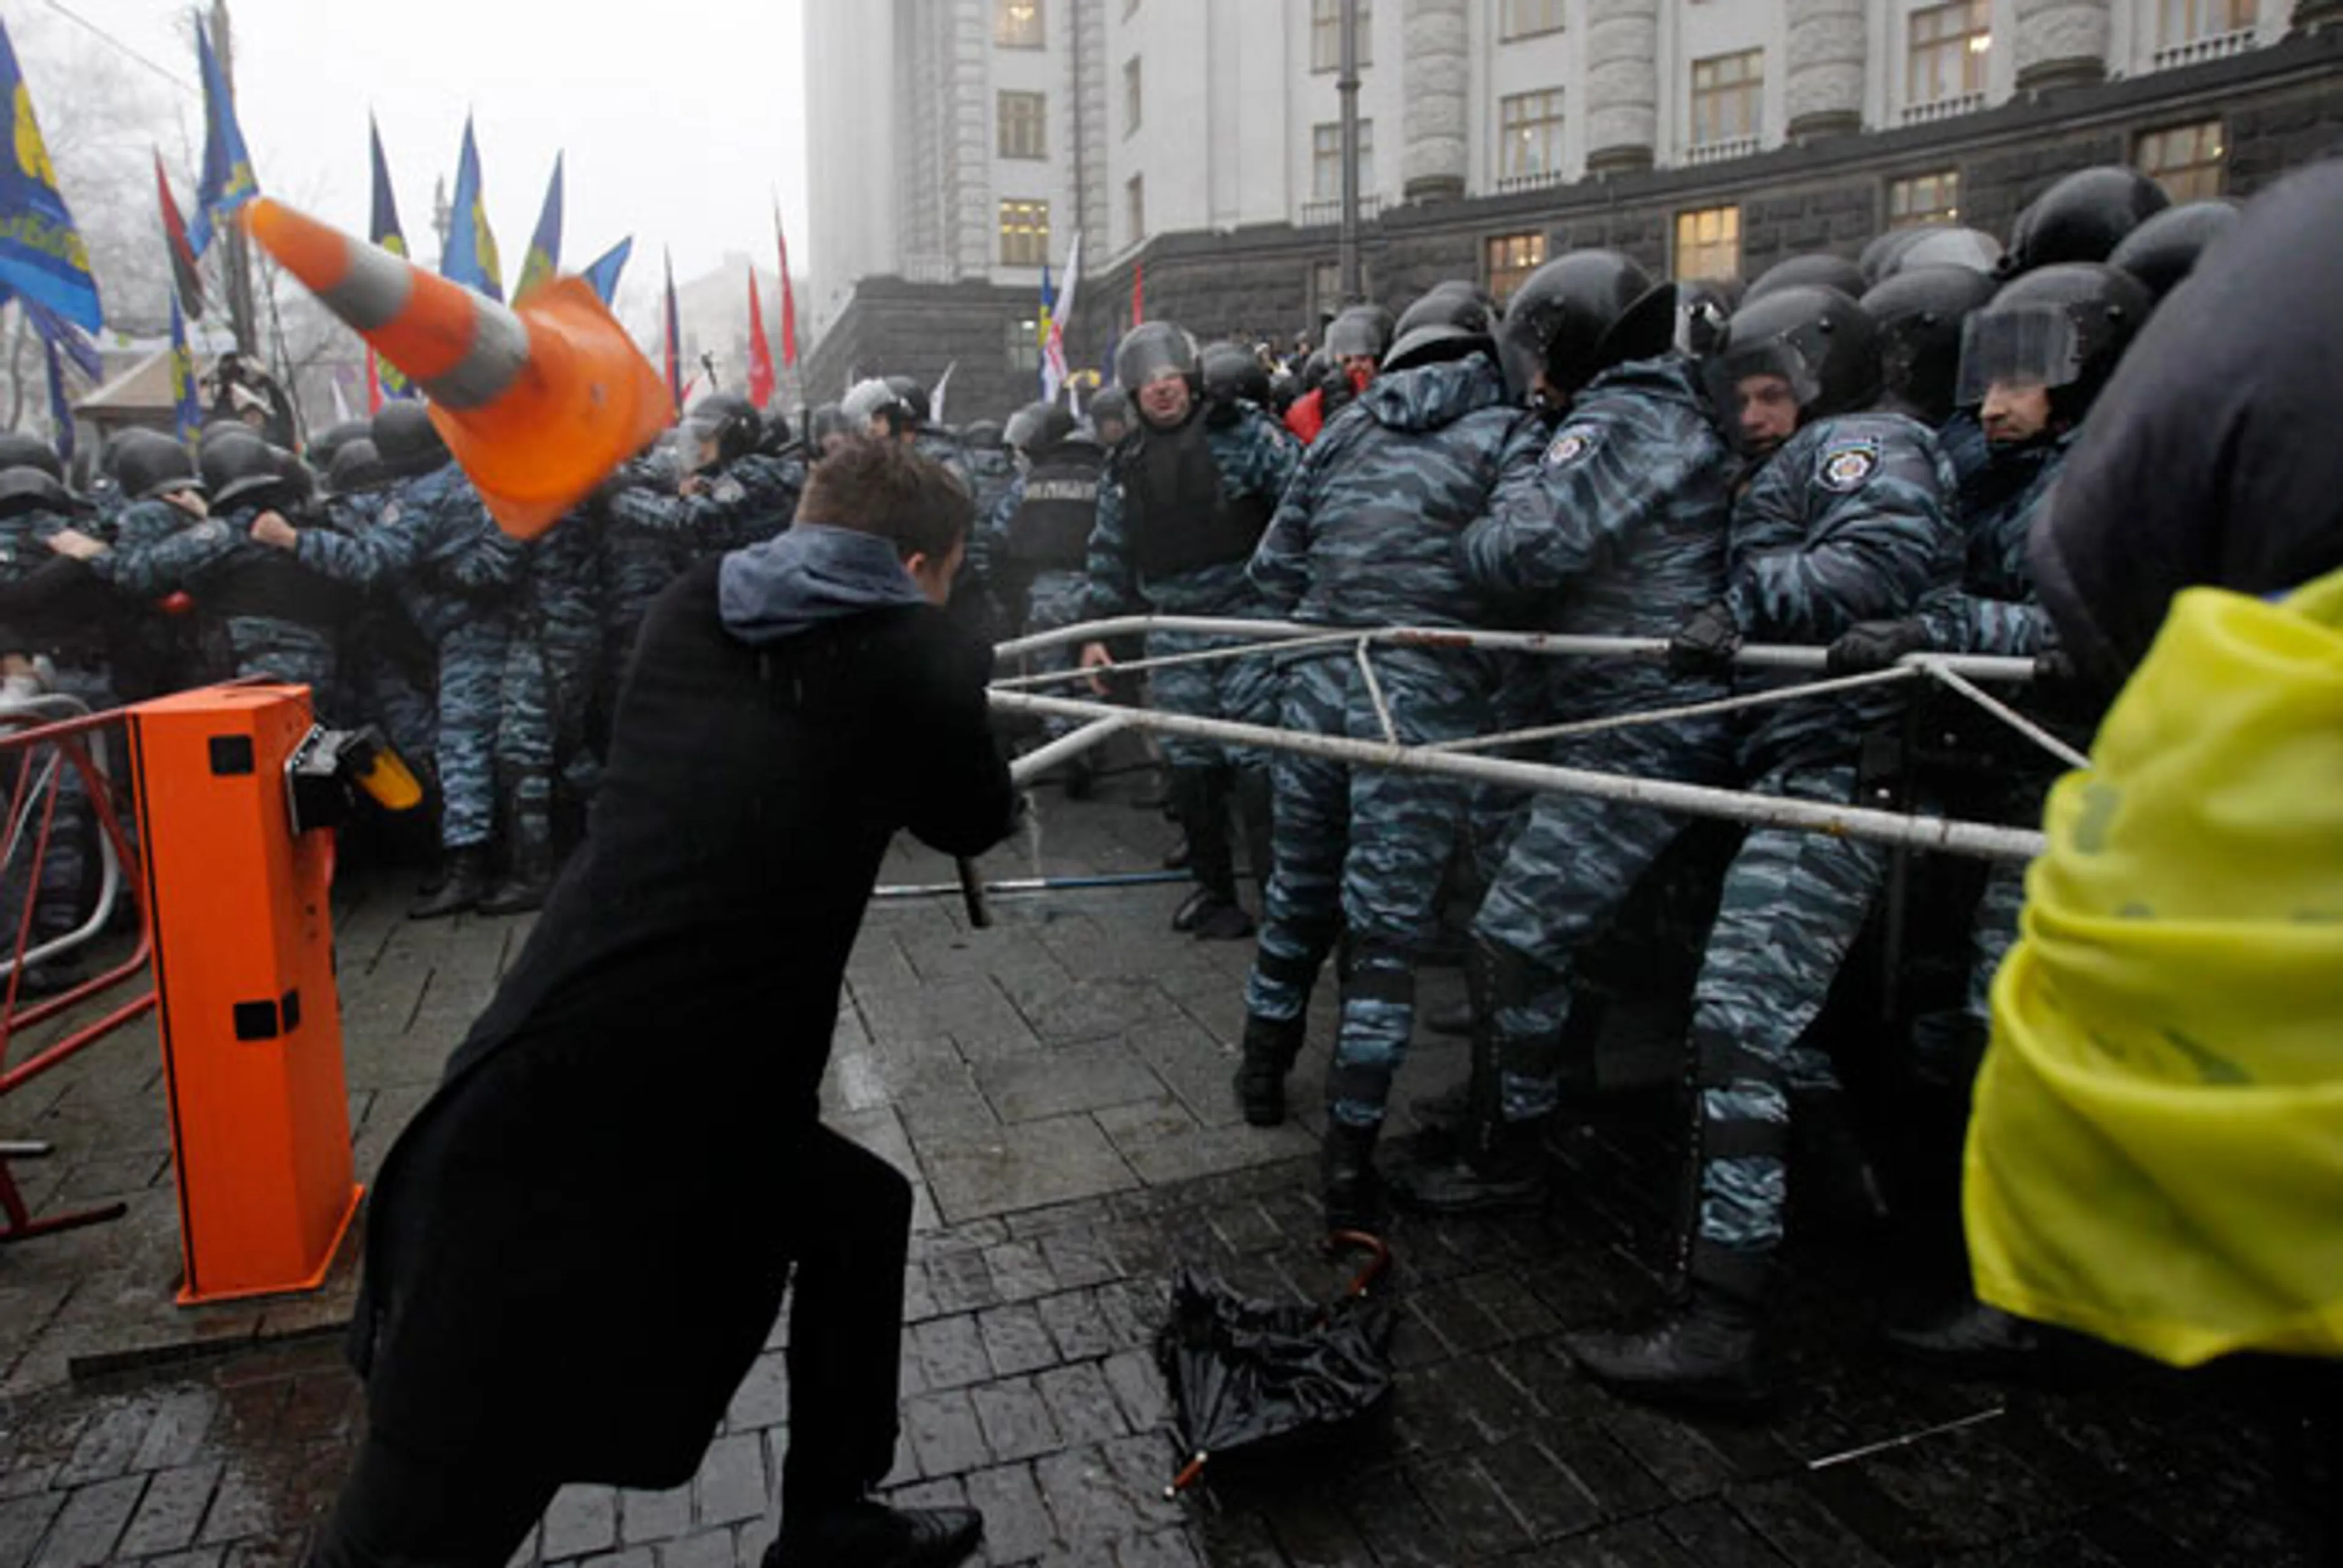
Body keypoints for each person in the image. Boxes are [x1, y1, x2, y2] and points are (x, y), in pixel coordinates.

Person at [311, 438, 1010, 1568]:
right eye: (941, 574)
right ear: (922, 562)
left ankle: (831, 1517)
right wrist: (954, 657)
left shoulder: (695, 606)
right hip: (602, 1116)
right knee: (446, 1484)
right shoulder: (912, 652)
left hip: (617, 1057)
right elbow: (974, 817)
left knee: (858, 1213)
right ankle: (827, 1516)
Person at [1563, 286, 1958, 1406]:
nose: (1755, 416)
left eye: (1774, 392)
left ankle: (1717, 1327)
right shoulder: (1789, 462)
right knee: (1776, 1027)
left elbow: (1878, 570)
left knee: (1736, 1027)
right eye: (1741, 397)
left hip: (1836, 772)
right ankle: (1853, 1205)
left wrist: (1742, 602)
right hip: (1797, 766)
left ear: (1823, 381)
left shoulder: (1859, 445)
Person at [1391, 251, 1736, 1214]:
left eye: (1536, 356)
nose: (1531, 380)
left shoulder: (1622, 415)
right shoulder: (1655, 408)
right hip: (1610, 715)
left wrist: (1497, 496)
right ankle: (1536, 1091)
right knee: (1537, 926)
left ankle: (1507, 1153)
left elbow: (1525, 546)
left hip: (1635, 726)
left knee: (1513, 937)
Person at [1228, 284, 1530, 1231]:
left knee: (1298, 895)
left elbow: (1272, 569)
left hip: (1319, 694)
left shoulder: (1345, 434)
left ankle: (1263, 1072)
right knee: (1388, 939)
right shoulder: (1509, 436)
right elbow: (1521, 566)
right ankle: (1350, 1154)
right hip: (1421, 715)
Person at [1078, 322, 1300, 940]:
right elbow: (1109, 552)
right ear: (1132, 392)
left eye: (1171, 375)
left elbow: (1303, 505)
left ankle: (1284, 896)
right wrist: (1097, 630)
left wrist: (1292, 599)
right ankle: (1215, 891)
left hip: (1247, 620)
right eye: (1148, 382)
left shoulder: (1247, 434)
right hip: (1174, 631)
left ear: (1191, 377)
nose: (1162, 390)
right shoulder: (1125, 465)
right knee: (1191, 763)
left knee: (1259, 762)